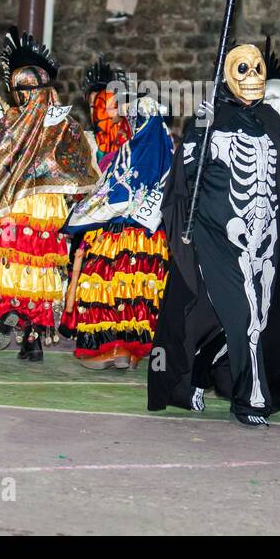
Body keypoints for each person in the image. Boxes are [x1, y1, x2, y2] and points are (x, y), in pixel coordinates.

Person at [148, 44, 280, 426]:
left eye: (259, 67)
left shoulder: (270, 121)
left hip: (266, 233)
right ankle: (250, 398)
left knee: (246, 316)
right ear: (228, 75)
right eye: (244, 68)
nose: (254, 75)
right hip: (219, 234)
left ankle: (195, 377)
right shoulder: (207, 119)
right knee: (243, 315)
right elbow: (185, 181)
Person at [0, 31, 98, 360]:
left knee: (15, 263)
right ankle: (31, 332)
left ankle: (21, 320)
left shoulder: (14, 122)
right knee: (33, 267)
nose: (25, 96)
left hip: (16, 204)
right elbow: (76, 160)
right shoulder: (54, 122)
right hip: (39, 206)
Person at [61, 62, 172, 370]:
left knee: (110, 284)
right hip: (152, 235)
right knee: (139, 292)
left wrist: (86, 212)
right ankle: (133, 351)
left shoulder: (132, 150)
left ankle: (114, 348)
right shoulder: (163, 149)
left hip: (123, 229)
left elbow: (118, 188)